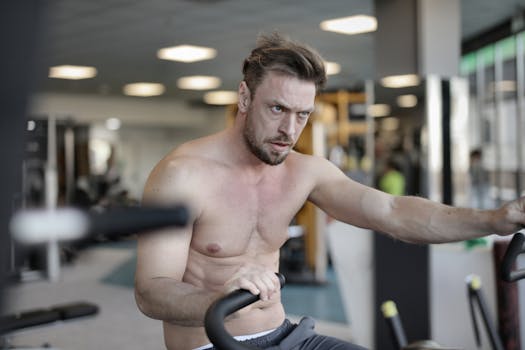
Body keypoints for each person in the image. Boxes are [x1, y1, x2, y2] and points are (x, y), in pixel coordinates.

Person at [134, 32, 525, 350]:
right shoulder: (182, 175)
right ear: (244, 97)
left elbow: (391, 211)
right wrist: (218, 302)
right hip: (212, 345)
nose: (290, 130)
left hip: (286, 336)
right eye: (277, 110)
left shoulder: (304, 171)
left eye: (303, 114)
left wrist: (494, 219)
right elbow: (151, 292)